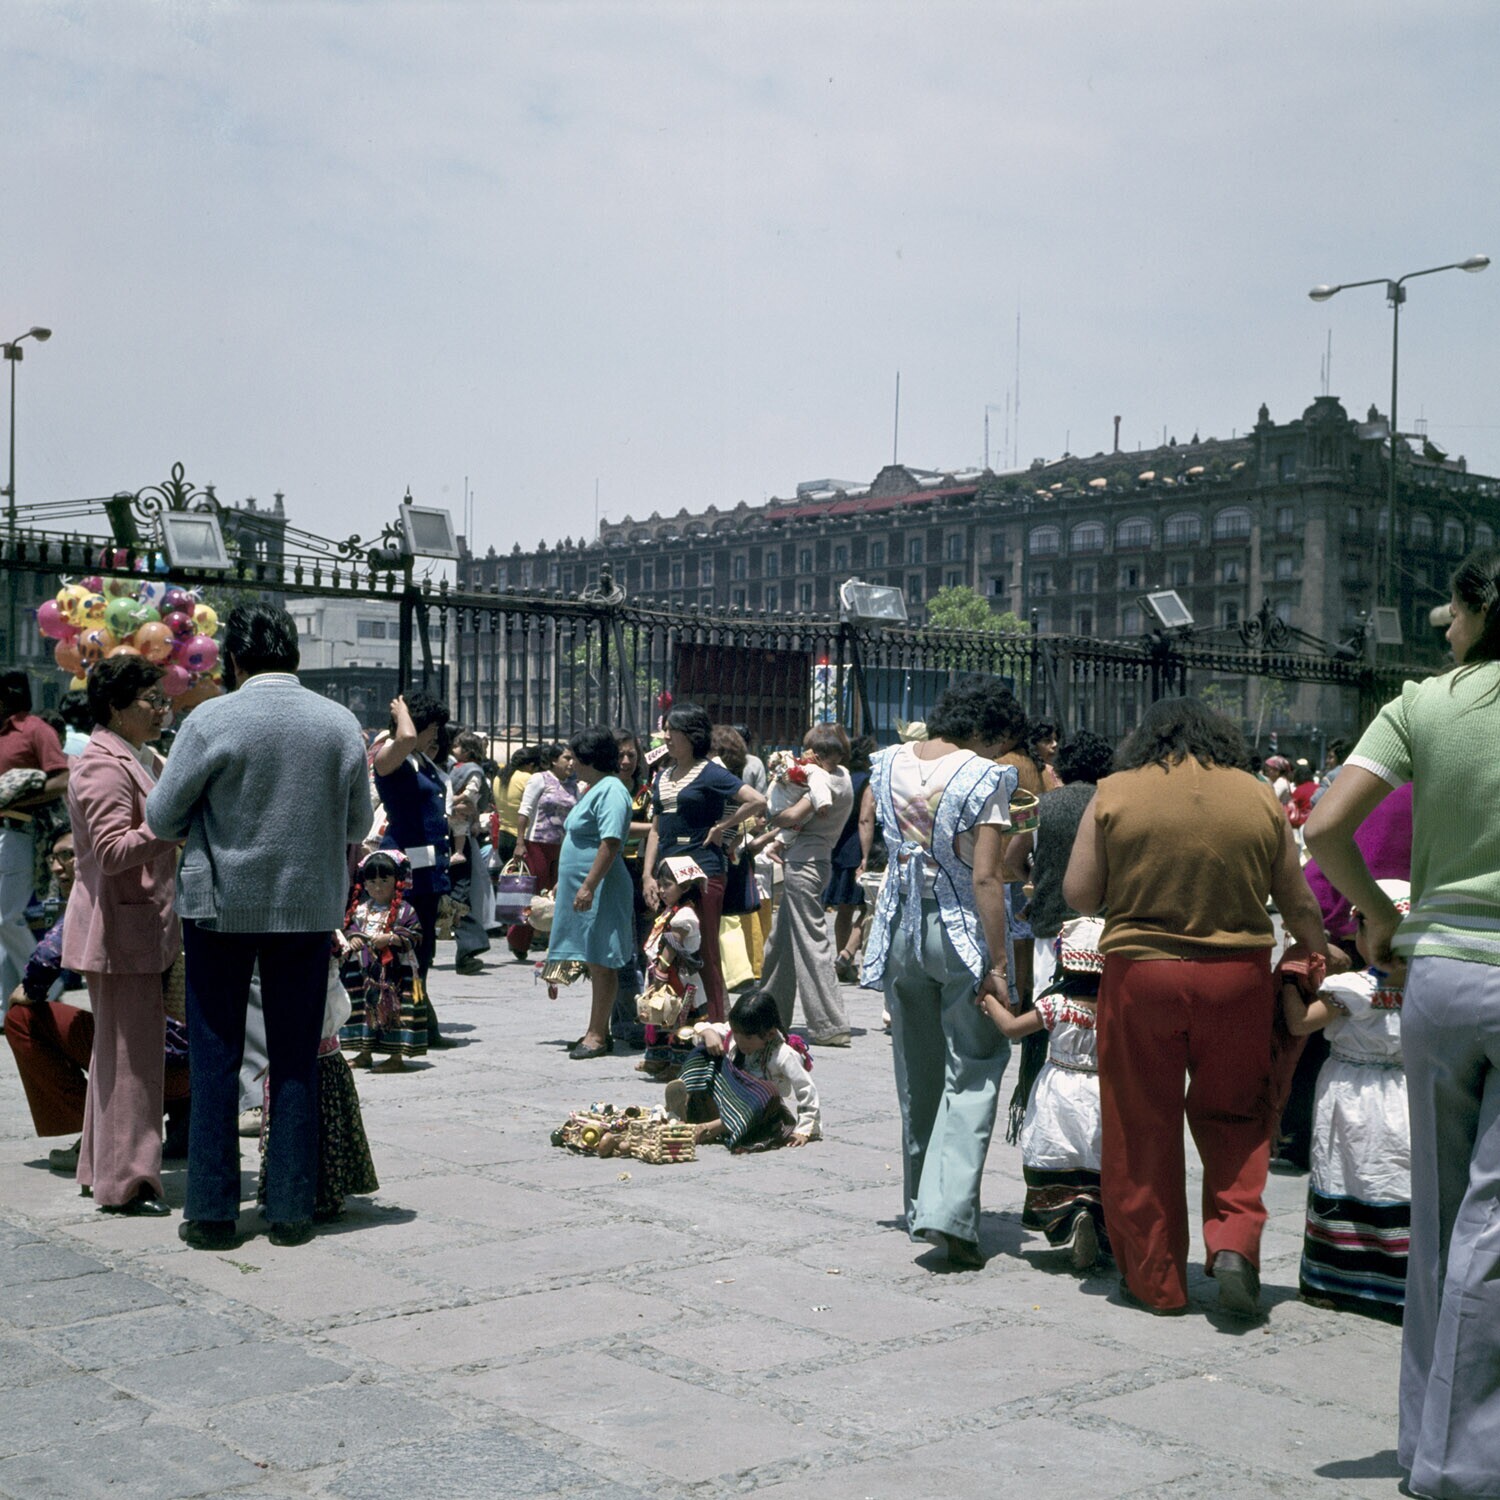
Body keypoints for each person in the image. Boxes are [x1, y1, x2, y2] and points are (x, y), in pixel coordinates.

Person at [1304, 545, 1500, 1499]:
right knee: (1490, 1224)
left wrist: (1378, 916)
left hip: (1440, 979)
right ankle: (1463, 1464)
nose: (1445, 628)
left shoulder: (1422, 704)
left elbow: (1322, 828)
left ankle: (1427, 1438)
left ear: (1480, 610)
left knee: (1442, 1216)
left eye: (1452, 612)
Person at [1063, 697, 1327, 1318]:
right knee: (1237, 1115)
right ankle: (1234, 1241)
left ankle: (1156, 1280)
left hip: (1141, 976)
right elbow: (1298, 902)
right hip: (1236, 979)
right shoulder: (1258, 796)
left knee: (1140, 1125)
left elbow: (1080, 895)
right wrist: (1319, 953)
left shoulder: (1114, 792)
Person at [147, 602, 372, 1252]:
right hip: (306, 909)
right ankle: (291, 1209)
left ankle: (212, 1213)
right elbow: (359, 825)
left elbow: (162, 817)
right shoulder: (339, 724)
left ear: (234, 659)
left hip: (220, 907)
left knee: (215, 1057)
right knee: (295, 1057)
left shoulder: (209, 719)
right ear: (293, 654)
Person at [861, 678, 1025, 1269]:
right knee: (975, 1065)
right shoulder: (986, 776)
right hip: (958, 931)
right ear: (985, 730)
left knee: (918, 1069)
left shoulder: (887, 763)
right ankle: (949, 1211)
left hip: (901, 928)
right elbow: (986, 876)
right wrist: (999, 962)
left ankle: (917, 1206)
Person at [63, 657, 181, 1216]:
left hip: (129, 928)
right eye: (150, 701)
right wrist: (170, 825)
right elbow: (112, 851)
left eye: (163, 700)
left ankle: (103, 1170)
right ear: (115, 706)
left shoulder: (133, 755)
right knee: (134, 1063)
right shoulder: (102, 765)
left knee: (116, 1058)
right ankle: (130, 1181)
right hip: (119, 931)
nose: (161, 710)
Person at [4, 825, 191, 1172]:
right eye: (52, 858)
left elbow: (47, 957)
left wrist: (30, 988)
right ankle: (183, 1119)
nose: (57, 867)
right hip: (196, 1067)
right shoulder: (157, 884)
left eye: (68, 855)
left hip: (158, 1058)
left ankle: (99, 1133)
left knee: (20, 1019)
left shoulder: (102, 890)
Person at [1278, 883, 1409, 1323]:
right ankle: (1398, 1283)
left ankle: (1334, 1280)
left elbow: (1300, 1023)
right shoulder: (1424, 984)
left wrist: (1290, 978)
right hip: (1403, 1092)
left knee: (1345, 1170)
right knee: (1395, 1176)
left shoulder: (1353, 987)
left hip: (1351, 1090)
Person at [982, 915, 1108, 1271]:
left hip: (1059, 1090)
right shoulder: (1117, 1005)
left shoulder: (1057, 1004)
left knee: (1057, 1159)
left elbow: (1012, 1029)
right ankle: (1091, 1214)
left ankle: (1071, 1215)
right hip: (1101, 1091)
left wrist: (989, 999)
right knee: (1096, 1163)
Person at [641, 704, 766, 1023]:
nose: (666, 737)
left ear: (692, 736)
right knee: (666, 947)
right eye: (665, 730)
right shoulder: (662, 776)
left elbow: (757, 800)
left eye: (673, 731)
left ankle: (717, 1025)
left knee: (704, 950)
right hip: (668, 875)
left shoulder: (710, 772)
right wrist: (647, 875)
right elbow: (656, 829)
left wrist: (723, 826)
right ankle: (672, 1026)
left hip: (704, 872)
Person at [755, 723, 855, 1046]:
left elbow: (790, 816)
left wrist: (771, 809)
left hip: (804, 865)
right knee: (780, 944)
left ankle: (830, 1023)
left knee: (812, 944)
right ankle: (768, 1015)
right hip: (815, 860)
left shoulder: (822, 780)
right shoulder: (844, 776)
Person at [262, 957, 378, 1223]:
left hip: (316, 1059)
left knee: (320, 1130)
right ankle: (317, 1196)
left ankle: (306, 1196)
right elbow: (340, 1006)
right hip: (317, 1060)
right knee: (323, 1130)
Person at [1002, 729, 1115, 1000]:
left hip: (1051, 926)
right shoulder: (1113, 806)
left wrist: (1035, 879)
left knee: (1048, 1003)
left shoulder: (1037, 805)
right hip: (1103, 926)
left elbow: (1012, 858)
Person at [544, 728, 634, 1060]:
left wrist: (588, 886)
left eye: (575, 758)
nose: (571, 764)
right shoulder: (595, 789)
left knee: (601, 961)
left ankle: (597, 1034)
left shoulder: (612, 790)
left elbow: (610, 842)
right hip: (588, 889)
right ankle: (597, 1029)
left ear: (590, 760)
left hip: (602, 890)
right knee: (594, 959)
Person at [372, 691, 453, 1041]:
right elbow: (404, 737)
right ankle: (401, 1022)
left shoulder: (423, 763)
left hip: (427, 873)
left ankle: (419, 1017)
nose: (436, 735)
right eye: (431, 727)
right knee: (402, 949)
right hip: (403, 872)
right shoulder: (391, 755)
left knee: (423, 950)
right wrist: (402, 710)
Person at [667, 988, 821, 1150]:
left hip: (758, 1115)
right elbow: (702, 1028)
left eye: (748, 1037)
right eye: (736, 1034)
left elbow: (806, 1088)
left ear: (769, 1034)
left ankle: (708, 1129)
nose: (740, 1041)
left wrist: (803, 1130)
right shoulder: (735, 1031)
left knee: (767, 1092)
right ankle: (684, 1106)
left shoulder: (783, 1055)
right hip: (729, 1103)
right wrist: (708, 1032)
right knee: (703, 1050)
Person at [0, 669, 70, 998]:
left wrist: (14, 800)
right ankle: (7, 1004)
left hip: (18, 832)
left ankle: (46, 983)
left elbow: (62, 780)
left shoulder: (35, 730)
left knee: (6, 918)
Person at [340, 850, 425, 1070]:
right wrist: (354, 938)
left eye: (384, 881)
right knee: (365, 1011)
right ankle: (364, 1053)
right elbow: (349, 929)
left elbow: (415, 935)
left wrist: (392, 938)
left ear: (397, 881)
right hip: (365, 973)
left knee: (395, 1012)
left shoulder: (405, 911)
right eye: (372, 882)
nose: (378, 887)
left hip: (396, 974)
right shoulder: (360, 910)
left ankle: (396, 1058)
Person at [636, 855, 707, 1079]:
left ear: (685, 887)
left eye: (667, 885)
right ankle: (658, 1058)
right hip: (666, 974)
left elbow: (673, 944)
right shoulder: (671, 910)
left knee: (680, 1019)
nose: (661, 890)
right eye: (660, 885)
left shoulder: (684, 915)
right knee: (660, 1014)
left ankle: (680, 1065)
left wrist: (661, 970)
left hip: (679, 980)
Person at [507, 742, 578, 960]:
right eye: (566, 758)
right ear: (554, 761)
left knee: (558, 895)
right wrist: (520, 842)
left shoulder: (575, 785)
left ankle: (555, 942)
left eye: (572, 759)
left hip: (562, 847)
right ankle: (518, 938)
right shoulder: (540, 779)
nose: (571, 763)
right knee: (533, 893)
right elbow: (525, 810)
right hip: (537, 843)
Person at [447, 730, 496, 975]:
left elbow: (470, 800)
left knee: (460, 890)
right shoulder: (450, 767)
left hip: (458, 832)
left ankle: (469, 945)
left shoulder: (469, 771)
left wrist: (453, 803)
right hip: (450, 831)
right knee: (458, 890)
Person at [828, 735, 875, 984]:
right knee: (870, 907)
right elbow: (865, 819)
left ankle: (842, 961)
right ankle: (848, 953)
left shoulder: (842, 778)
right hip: (858, 847)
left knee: (843, 909)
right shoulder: (868, 781)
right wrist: (866, 855)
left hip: (838, 847)